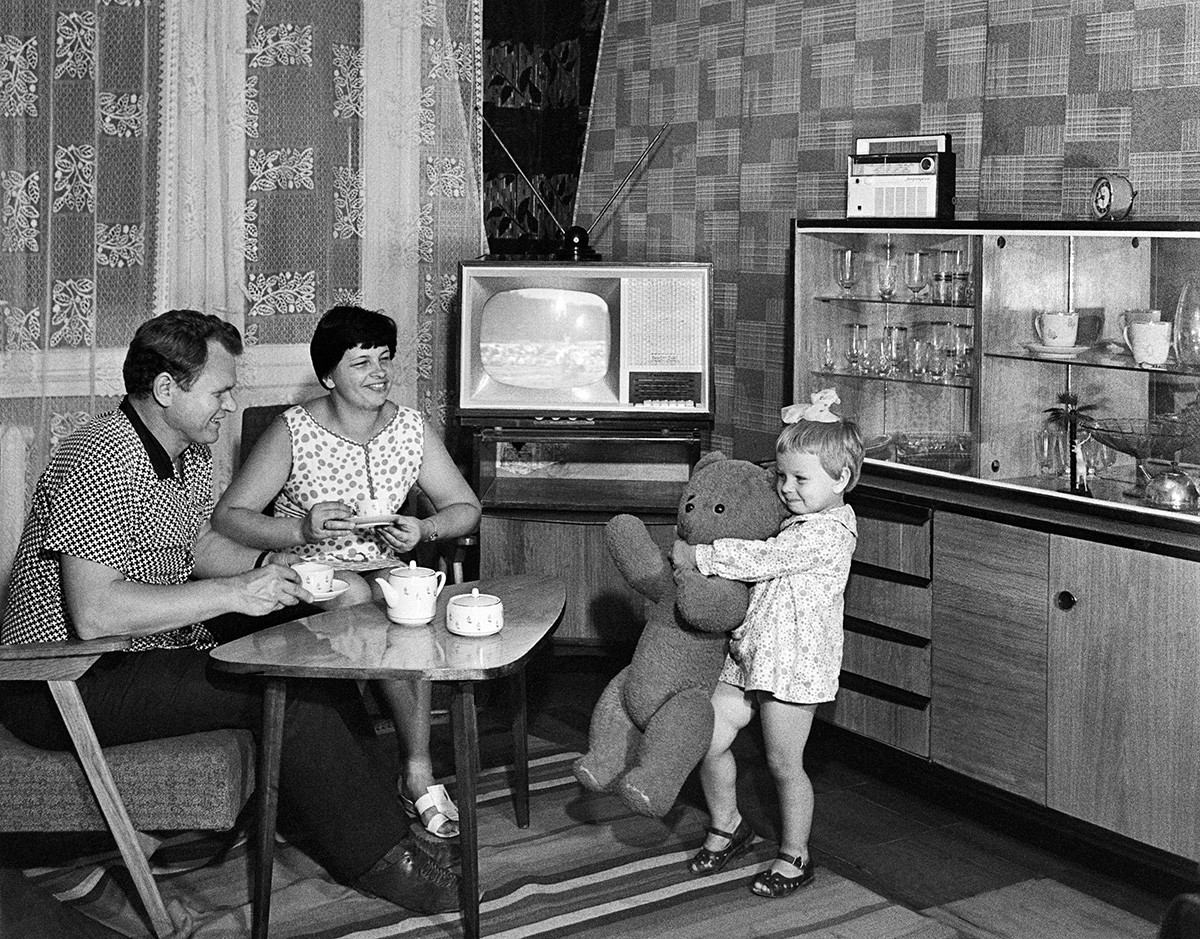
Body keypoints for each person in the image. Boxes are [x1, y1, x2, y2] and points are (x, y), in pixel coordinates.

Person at [0, 309, 458, 914]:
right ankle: (385, 860)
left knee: (323, 634)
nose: (229, 403)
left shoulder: (180, 447)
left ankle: (370, 802)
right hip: (66, 678)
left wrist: (278, 571)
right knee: (288, 693)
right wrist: (236, 594)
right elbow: (97, 612)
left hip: (147, 645)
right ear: (167, 390)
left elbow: (200, 548)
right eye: (220, 390)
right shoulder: (97, 458)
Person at [211, 305, 482, 843]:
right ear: (329, 374)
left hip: (387, 573)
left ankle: (415, 769)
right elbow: (230, 515)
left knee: (407, 603)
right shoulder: (295, 430)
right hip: (307, 575)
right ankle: (416, 776)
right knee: (367, 597)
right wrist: (301, 530)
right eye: (361, 362)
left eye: (385, 358)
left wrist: (422, 531)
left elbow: (464, 507)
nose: (379, 372)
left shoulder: (409, 428)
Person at [671, 388, 863, 898]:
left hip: (795, 668)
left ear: (841, 480)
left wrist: (701, 556)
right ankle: (727, 822)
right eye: (782, 477)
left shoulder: (829, 533)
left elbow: (761, 560)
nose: (787, 489)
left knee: (783, 764)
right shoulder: (797, 518)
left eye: (801, 479)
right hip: (751, 654)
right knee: (707, 736)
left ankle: (795, 855)